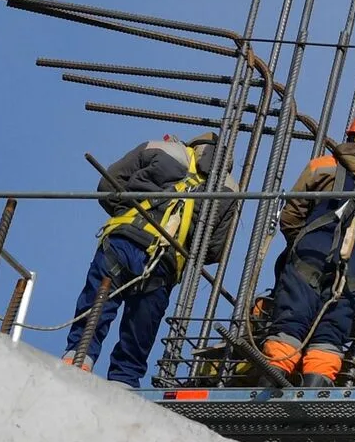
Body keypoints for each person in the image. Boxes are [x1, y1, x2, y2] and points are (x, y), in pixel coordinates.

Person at [61, 132, 236, 387]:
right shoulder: (230, 188)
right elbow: (213, 250)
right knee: (139, 330)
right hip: (164, 264)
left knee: (97, 305)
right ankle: (124, 382)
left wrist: (130, 217)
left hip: (124, 242)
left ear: (194, 145)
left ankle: (77, 359)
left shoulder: (161, 148)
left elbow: (108, 186)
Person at [261, 111, 355, 385]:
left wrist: (301, 246)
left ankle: (271, 381)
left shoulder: (321, 166)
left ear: (351, 136)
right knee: (331, 330)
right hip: (353, 268)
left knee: (291, 319)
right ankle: (314, 389)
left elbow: (291, 216)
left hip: (309, 255)